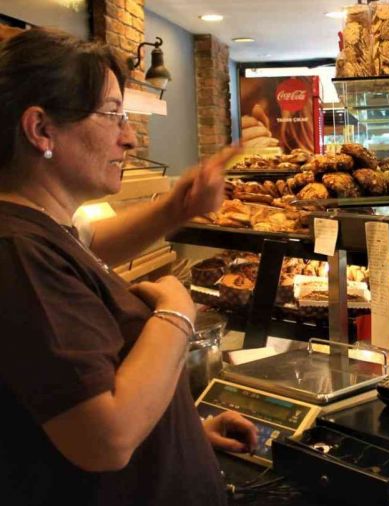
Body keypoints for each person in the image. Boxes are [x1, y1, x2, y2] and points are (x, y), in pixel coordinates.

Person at [0, 28, 257, 505]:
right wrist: (177, 314)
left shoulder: (46, 231)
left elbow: (92, 243)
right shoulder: (18, 252)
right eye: (113, 115)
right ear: (41, 130)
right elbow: (106, 438)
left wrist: (180, 431)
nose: (130, 139)